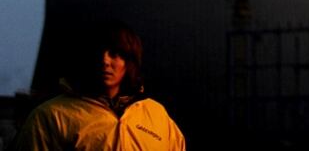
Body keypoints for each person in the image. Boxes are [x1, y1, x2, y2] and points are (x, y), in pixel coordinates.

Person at [14, 20, 185, 150]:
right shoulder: (51, 116)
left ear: (129, 61)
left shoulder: (157, 115)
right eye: (97, 53)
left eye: (115, 53)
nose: (104, 60)